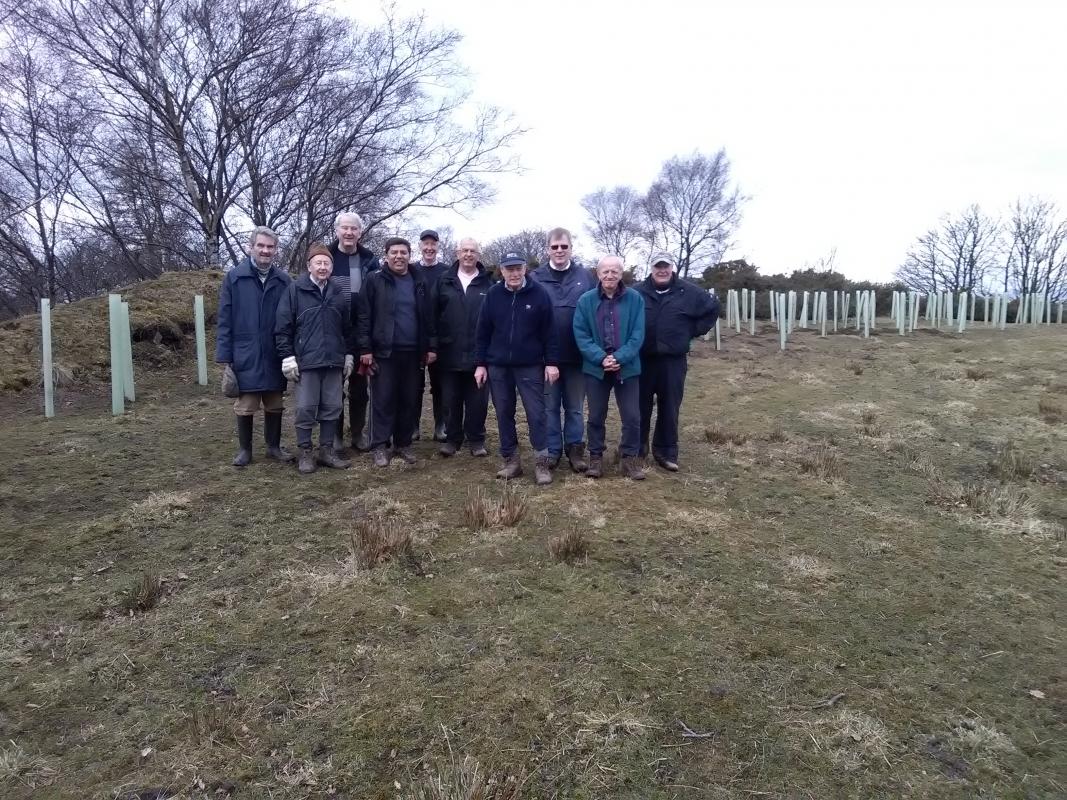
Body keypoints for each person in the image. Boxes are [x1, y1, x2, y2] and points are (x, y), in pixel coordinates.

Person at [474, 252, 559, 485]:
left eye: (518, 268)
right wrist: (481, 364)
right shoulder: (493, 295)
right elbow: (482, 333)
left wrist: (551, 362)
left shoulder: (539, 294)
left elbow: (550, 332)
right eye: (509, 269)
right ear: (501, 271)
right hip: (498, 367)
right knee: (503, 413)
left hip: (530, 365)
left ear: (525, 269)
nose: (514, 273)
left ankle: (541, 462)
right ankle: (511, 461)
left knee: (536, 414)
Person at [215, 226, 293, 467]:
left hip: (274, 350)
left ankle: (273, 447)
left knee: (275, 401)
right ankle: (245, 450)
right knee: (246, 404)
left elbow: (291, 318)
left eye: (270, 247)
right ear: (251, 247)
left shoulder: (284, 280)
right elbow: (225, 318)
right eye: (261, 245)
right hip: (244, 350)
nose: (265, 250)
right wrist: (225, 355)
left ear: (276, 250)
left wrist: (289, 351)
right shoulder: (234, 277)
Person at [634, 252, 719, 471]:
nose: (661, 270)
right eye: (657, 266)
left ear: (672, 267)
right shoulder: (636, 292)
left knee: (670, 406)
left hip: (673, 361)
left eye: (665, 266)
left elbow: (712, 309)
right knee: (639, 406)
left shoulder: (689, 292)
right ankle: (637, 449)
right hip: (642, 359)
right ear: (650, 268)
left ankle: (666, 451)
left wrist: (691, 331)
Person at [274, 244, 355, 473]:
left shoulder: (337, 292)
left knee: (332, 407)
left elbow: (346, 328)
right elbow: (283, 328)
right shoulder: (294, 291)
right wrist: (288, 357)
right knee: (305, 408)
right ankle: (305, 452)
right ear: (309, 265)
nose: (322, 266)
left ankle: (327, 451)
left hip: (333, 361)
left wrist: (348, 354)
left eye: (326, 263)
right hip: (306, 362)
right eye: (318, 262)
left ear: (331, 267)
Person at [357, 237, 432, 467]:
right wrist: (365, 348)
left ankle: (403, 443)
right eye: (394, 252)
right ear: (386, 255)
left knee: (409, 399)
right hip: (384, 352)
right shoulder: (374, 280)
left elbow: (427, 317)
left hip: (413, 352)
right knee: (383, 399)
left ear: (410, 255)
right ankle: (379, 445)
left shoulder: (419, 281)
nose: (399, 256)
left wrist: (429, 346)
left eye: (403, 252)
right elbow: (363, 315)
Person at [572, 255, 646, 480]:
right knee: (596, 416)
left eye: (614, 271)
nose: (610, 275)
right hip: (596, 368)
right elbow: (581, 333)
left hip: (627, 367)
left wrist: (619, 358)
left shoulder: (635, 299)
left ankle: (629, 459)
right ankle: (596, 459)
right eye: (605, 271)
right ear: (598, 273)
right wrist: (601, 357)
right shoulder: (586, 300)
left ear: (621, 274)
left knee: (632, 417)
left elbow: (637, 333)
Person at [530, 227, 596, 473]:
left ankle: (575, 449)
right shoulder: (535, 277)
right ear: (548, 249)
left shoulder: (586, 277)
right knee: (549, 407)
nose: (559, 251)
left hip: (578, 355)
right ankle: (553, 450)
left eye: (564, 246)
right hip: (547, 358)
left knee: (575, 407)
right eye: (555, 247)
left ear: (571, 248)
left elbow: (595, 310)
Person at [428, 237, 493, 457]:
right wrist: (433, 346)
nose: (468, 254)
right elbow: (432, 316)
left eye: (473, 251)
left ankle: (476, 440)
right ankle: (452, 439)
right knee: (450, 399)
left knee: (478, 401)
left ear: (478, 255)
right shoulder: (444, 280)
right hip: (449, 352)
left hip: (479, 355)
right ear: (457, 253)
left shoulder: (488, 283)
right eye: (464, 250)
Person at [328, 211, 378, 454]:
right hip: (332, 333)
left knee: (360, 389)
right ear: (336, 230)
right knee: (334, 388)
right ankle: (334, 436)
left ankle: (357, 433)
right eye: (344, 228)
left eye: (353, 229)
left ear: (360, 232)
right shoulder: (325, 256)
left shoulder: (370, 260)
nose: (349, 233)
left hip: (360, 333)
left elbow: (377, 298)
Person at [411, 229, 448, 441]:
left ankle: (440, 425)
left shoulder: (445, 271)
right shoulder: (411, 270)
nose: (429, 248)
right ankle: (412, 425)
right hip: (415, 335)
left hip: (440, 337)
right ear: (420, 246)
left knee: (440, 384)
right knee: (414, 384)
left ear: (437, 247)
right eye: (425, 244)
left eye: (433, 244)